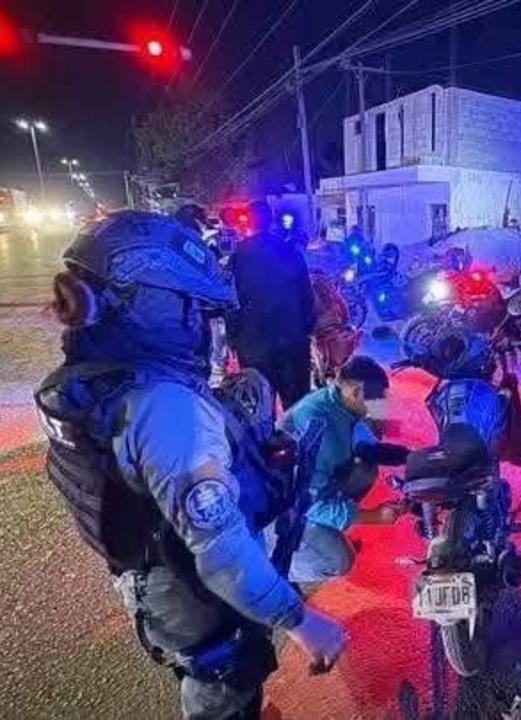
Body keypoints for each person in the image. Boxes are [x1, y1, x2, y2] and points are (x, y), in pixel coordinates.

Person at [33, 211, 347, 720]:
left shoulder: (87, 379)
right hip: (190, 589)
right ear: (153, 301)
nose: (204, 328)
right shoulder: (165, 406)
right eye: (194, 310)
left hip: (151, 569)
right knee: (227, 682)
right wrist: (301, 621)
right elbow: (222, 553)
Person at [277, 355, 409, 582]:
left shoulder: (339, 403)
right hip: (285, 508)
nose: (380, 406)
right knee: (341, 560)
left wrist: (413, 456)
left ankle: (333, 524)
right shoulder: (320, 428)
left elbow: (368, 448)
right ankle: (277, 567)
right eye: (376, 399)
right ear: (356, 392)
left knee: (364, 470)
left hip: (312, 485)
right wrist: (374, 516)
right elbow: (310, 504)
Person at [229, 201, 318, 409]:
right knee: (297, 407)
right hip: (291, 340)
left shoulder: (238, 256)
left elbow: (231, 302)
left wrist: (234, 338)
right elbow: (306, 294)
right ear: (270, 222)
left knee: (259, 410)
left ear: (248, 223)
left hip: (253, 344)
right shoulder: (290, 252)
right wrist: (307, 328)